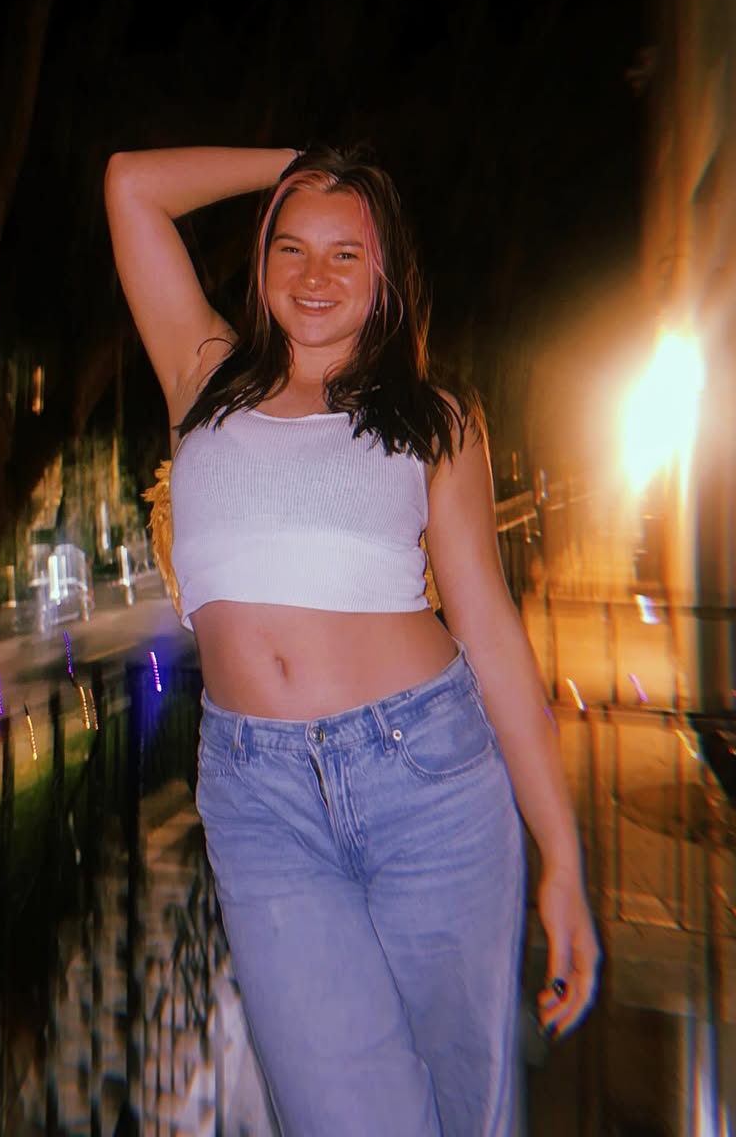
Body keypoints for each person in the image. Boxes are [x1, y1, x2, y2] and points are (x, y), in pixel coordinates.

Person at [105, 143, 600, 1136]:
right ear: (260, 262)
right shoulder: (205, 377)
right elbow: (130, 185)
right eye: (291, 247)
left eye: (346, 252)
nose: (314, 275)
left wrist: (563, 857)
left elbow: (489, 631)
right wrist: (305, 162)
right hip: (259, 800)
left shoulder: (434, 417)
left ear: (386, 274)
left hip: (429, 781)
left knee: (464, 1106)